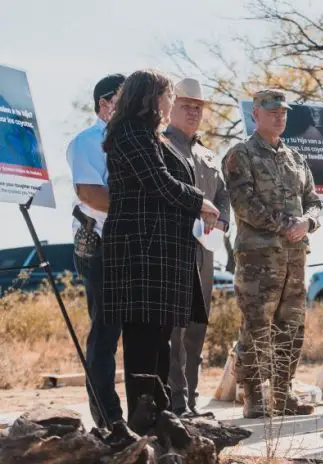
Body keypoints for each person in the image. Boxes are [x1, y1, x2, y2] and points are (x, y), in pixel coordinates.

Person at [101, 69, 220, 432]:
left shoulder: (150, 137)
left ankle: (162, 410)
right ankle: (142, 413)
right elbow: (158, 182)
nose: (171, 103)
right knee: (143, 337)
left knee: (160, 337)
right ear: (153, 97)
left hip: (162, 253)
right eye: (169, 96)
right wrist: (200, 201)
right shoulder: (128, 133)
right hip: (140, 251)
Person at [222, 89, 321, 418]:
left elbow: (314, 201)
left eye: (283, 112)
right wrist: (286, 225)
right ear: (255, 114)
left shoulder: (296, 158)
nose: (279, 116)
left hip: (295, 257)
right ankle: (254, 396)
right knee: (256, 326)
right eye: (272, 111)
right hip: (258, 259)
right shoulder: (241, 154)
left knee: (291, 327)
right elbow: (244, 204)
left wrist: (307, 222)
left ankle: (283, 394)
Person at [161, 78, 230, 417]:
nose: (193, 111)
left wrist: (221, 223)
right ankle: (174, 403)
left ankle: (191, 401)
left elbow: (223, 196)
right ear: (170, 107)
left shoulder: (208, 154)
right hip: (173, 250)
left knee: (196, 329)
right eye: (186, 104)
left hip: (205, 251)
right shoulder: (161, 146)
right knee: (174, 330)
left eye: (198, 107)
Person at [66, 73, 125, 429]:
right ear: (104, 104)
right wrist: (138, 207)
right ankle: (107, 418)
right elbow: (90, 194)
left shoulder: (137, 142)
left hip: (131, 246)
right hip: (99, 245)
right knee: (105, 333)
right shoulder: (87, 141)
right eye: (124, 99)